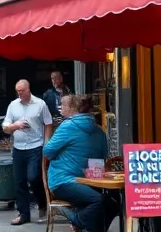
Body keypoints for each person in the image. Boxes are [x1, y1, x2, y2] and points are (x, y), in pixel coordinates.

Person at [43, 94, 113, 232]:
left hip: (62, 181)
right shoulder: (99, 131)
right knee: (109, 203)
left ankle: (77, 221)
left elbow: (48, 151)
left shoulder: (67, 126)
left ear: (75, 109)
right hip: (89, 181)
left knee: (99, 201)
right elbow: (104, 156)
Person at [3, 79, 54, 227]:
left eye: (22, 91)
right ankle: (23, 213)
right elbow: (5, 127)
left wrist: (46, 143)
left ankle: (42, 202)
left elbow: (48, 123)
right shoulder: (13, 105)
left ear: (28, 89)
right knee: (19, 181)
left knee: (33, 177)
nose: (20, 94)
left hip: (35, 146)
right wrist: (15, 126)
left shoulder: (40, 104)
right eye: (17, 91)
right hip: (18, 147)